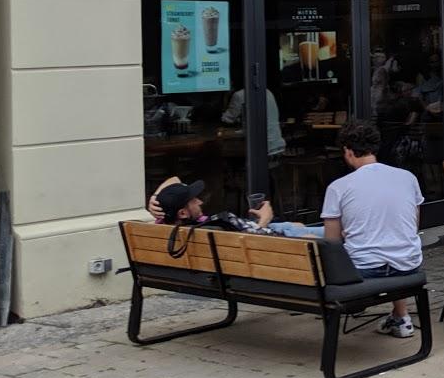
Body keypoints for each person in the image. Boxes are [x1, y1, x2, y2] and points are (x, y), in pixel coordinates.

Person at [321, 119, 423, 339]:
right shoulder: (407, 178)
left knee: (332, 247)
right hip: (408, 265)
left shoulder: (338, 187)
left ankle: (371, 309)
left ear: (348, 151)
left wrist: (348, 234)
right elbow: (412, 227)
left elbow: (332, 244)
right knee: (391, 243)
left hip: (364, 271)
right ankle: (400, 316)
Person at [147, 176, 323, 238]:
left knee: (297, 226)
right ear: (183, 212)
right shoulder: (215, 227)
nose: (200, 202)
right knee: (327, 234)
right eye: (194, 200)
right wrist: (264, 219)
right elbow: (253, 242)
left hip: (261, 232)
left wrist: (156, 199)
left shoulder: (164, 226)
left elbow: (175, 179)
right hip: (269, 239)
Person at [221, 88, 285, 158]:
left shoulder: (239, 95)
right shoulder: (267, 91)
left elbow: (227, 119)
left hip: (262, 149)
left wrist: (225, 98)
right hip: (277, 145)